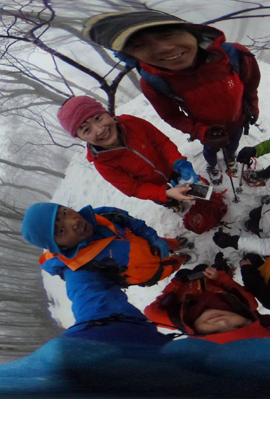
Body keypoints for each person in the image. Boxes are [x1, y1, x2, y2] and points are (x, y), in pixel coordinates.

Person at [83, 11, 261, 183]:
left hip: (238, 122)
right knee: (210, 151)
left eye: (168, 35)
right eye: (139, 46)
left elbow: (250, 85)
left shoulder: (233, 55)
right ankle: (213, 165)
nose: (164, 48)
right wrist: (203, 133)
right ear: (132, 56)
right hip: (207, 130)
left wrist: (252, 108)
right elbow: (172, 116)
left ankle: (230, 160)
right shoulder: (153, 82)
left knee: (232, 146)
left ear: (193, 32)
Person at [57, 95, 198, 209]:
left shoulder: (130, 123)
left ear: (106, 112)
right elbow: (134, 188)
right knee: (168, 200)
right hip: (154, 188)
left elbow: (161, 142)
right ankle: (174, 205)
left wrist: (177, 161)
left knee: (190, 187)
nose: (100, 130)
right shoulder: (103, 163)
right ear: (81, 138)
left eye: (98, 118)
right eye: (87, 130)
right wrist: (164, 193)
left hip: (172, 169)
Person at [21, 202, 188, 290]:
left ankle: (176, 244)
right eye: (61, 231)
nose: (74, 222)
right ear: (60, 247)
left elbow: (130, 221)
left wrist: (152, 237)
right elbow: (91, 300)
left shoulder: (101, 215)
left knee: (166, 244)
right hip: (149, 272)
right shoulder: (82, 269)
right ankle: (181, 259)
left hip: (149, 243)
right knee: (171, 265)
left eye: (64, 212)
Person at [144, 261, 270, 342]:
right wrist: (220, 277)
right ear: (250, 319)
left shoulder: (172, 318)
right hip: (211, 278)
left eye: (214, 332)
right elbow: (232, 286)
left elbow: (151, 312)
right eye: (239, 326)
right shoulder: (247, 303)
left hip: (187, 283)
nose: (222, 321)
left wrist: (177, 283)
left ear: (195, 334)